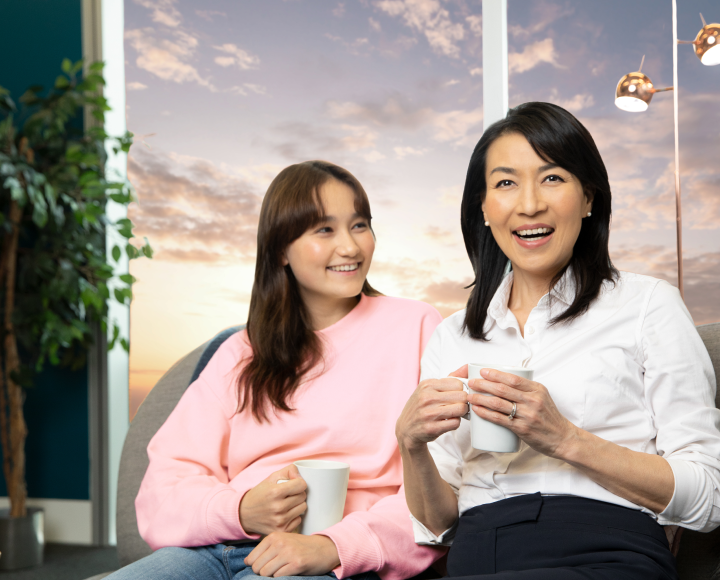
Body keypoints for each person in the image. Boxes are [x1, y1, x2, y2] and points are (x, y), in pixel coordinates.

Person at [395, 102, 720, 579]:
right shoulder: (453, 335)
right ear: (483, 208)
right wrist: (411, 446)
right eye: (505, 183)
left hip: (608, 552)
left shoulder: (648, 304)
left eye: (552, 178)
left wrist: (565, 438)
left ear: (589, 198)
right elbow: (437, 523)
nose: (529, 204)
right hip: (478, 556)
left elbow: (710, 497)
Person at [106, 161, 444, 580]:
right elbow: (162, 488)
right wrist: (241, 510)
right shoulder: (240, 352)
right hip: (215, 549)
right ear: (281, 249)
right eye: (324, 230)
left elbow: (446, 486)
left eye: (359, 225)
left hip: (327, 559)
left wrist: (333, 546)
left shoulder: (417, 327)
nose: (351, 248)